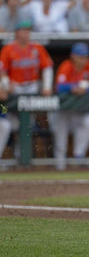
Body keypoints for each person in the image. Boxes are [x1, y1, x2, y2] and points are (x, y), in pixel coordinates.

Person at [0, 20, 53, 161]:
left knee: (27, 125)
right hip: (13, 90)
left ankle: (21, 157)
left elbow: (47, 67)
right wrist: (5, 86)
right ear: (16, 33)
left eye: (28, 30)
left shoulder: (37, 48)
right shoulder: (8, 49)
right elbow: (2, 71)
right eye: (23, 30)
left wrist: (47, 87)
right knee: (6, 121)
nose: (26, 33)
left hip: (31, 87)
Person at [50, 43, 89, 170]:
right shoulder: (66, 66)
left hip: (79, 111)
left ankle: (79, 155)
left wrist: (85, 88)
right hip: (62, 112)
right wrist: (73, 88)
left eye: (85, 56)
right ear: (73, 56)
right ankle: (59, 165)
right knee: (61, 139)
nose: (83, 60)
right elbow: (59, 87)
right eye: (80, 56)